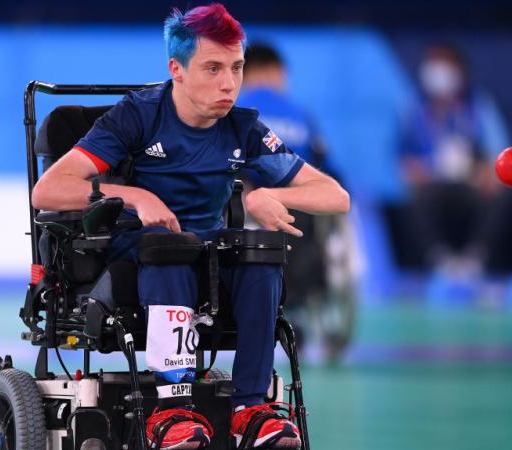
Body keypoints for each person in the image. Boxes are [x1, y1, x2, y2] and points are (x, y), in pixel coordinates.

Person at [32, 4, 349, 449]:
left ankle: (250, 408)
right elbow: (48, 190)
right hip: (139, 249)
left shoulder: (243, 128)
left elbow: (336, 196)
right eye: (213, 68)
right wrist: (134, 196)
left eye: (236, 68)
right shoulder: (138, 116)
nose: (228, 84)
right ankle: (172, 408)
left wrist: (271, 195)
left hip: (208, 251)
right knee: (169, 244)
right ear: (176, 70)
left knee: (260, 249)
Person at [239, 42, 355, 363]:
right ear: (276, 72)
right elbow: (330, 174)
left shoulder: (238, 113)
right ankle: (302, 311)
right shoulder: (301, 115)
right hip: (306, 220)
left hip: (253, 214)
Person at [400, 43, 510, 277]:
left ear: (459, 71)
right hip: (433, 182)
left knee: (497, 195)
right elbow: (401, 156)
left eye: (445, 65)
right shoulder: (414, 108)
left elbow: (499, 151)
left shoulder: (478, 106)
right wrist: (413, 169)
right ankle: (438, 260)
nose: (438, 74)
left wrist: (486, 171)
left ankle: (475, 259)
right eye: (433, 65)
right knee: (416, 197)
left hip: (469, 180)